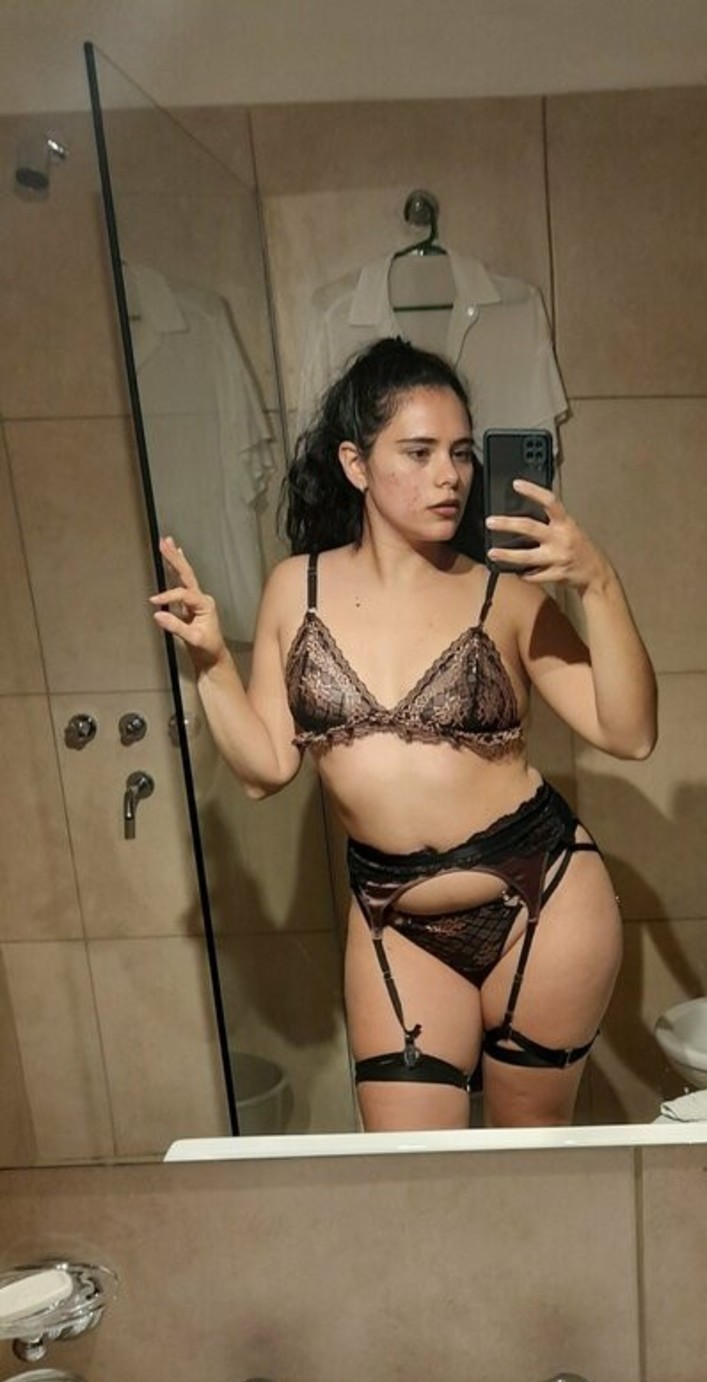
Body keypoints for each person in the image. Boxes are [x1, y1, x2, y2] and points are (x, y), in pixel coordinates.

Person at [151, 337, 657, 1132]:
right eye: (418, 453)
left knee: (529, 1157)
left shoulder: (505, 594)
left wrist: (598, 582)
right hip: (393, 916)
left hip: (543, 898)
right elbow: (262, 770)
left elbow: (629, 734)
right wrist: (212, 660)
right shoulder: (296, 588)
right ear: (356, 464)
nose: (449, 475)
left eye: (459, 452)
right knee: (412, 1172)